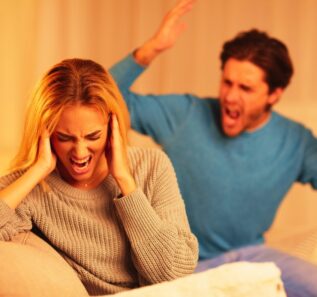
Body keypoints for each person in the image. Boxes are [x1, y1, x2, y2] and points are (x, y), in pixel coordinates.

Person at [109, 0, 317, 296]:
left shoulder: (296, 141)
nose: (230, 97)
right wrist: (151, 49)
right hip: (186, 265)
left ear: (275, 94)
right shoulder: (185, 114)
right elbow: (103, 100)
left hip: (253, 257)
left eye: (245, 88)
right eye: (227, 82)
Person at [0, 58, 198, 296]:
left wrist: (126, 183)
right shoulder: (31, 185)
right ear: (46, 132)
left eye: (93, 136)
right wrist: (38, 169)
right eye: (64, 138)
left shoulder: (152, 166)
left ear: (112, 126)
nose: (80, 152)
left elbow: (176, 276)